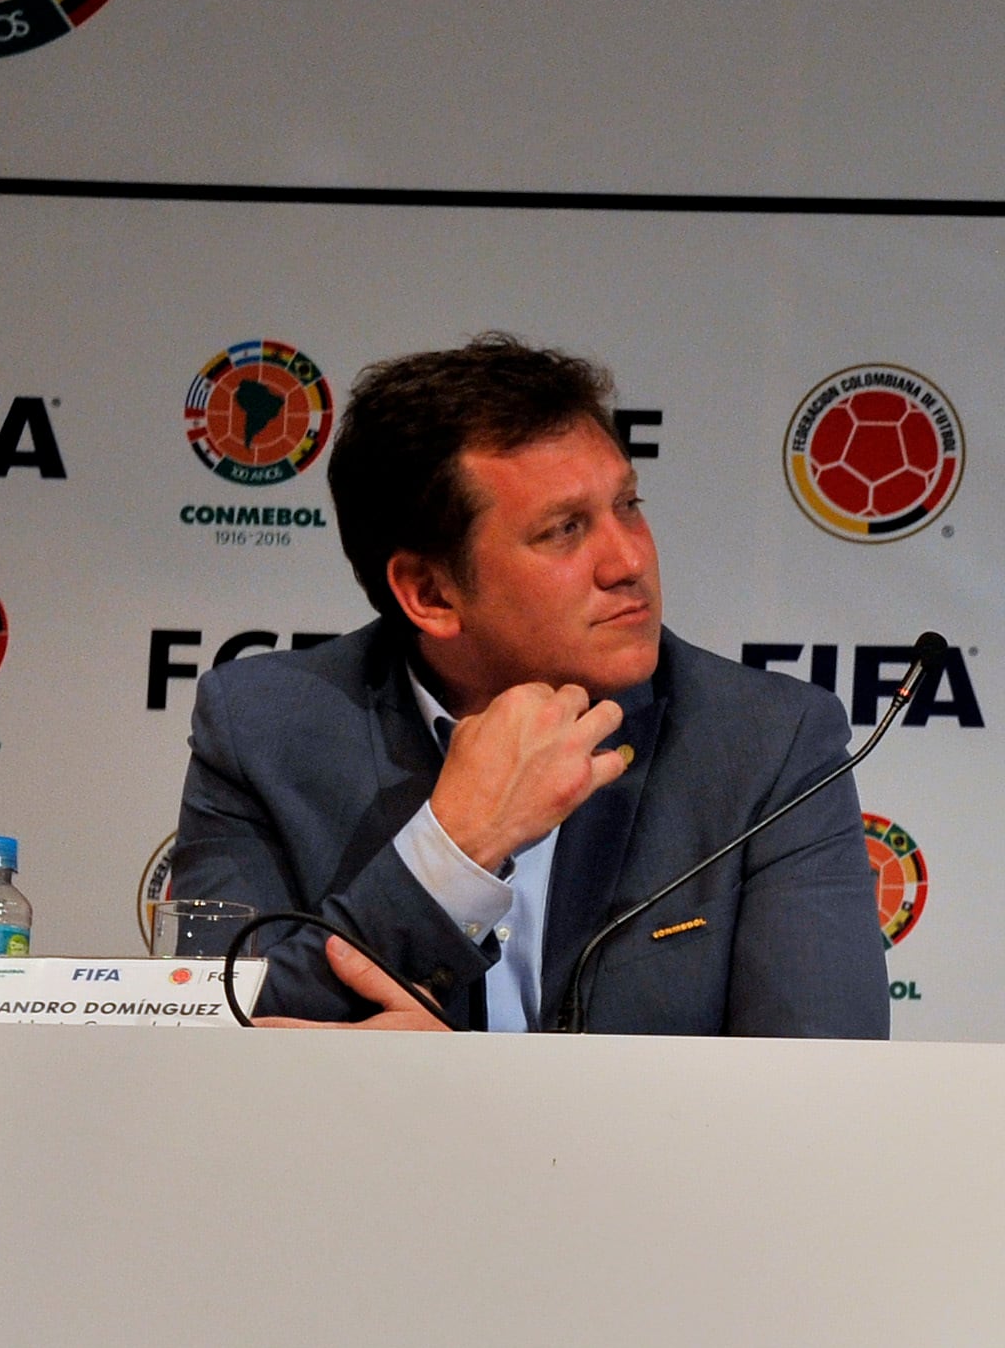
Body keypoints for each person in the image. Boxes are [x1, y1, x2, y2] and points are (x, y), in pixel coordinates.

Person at [169, 336, 889, 1036]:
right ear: (430, 594)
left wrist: (457, 1096)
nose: (628, 558)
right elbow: (219, 1028)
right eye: (565, 530)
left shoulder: (768, 745)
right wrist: (451, 851)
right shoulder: (264, 731)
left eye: (629, 506)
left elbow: (817, 1090)